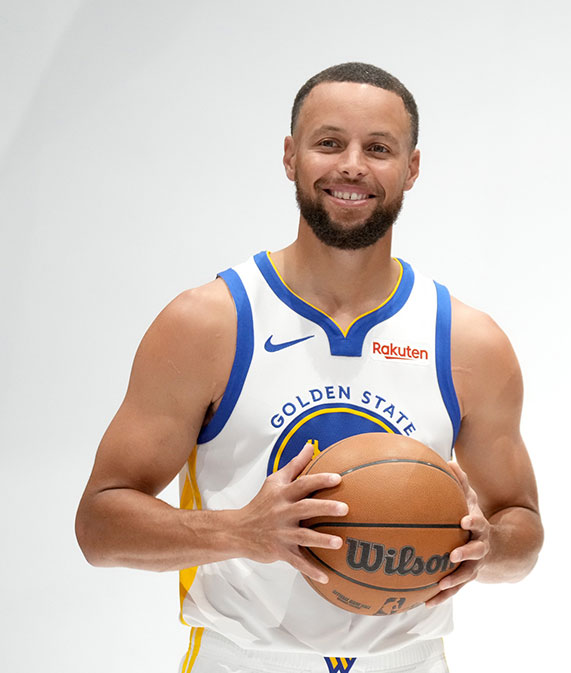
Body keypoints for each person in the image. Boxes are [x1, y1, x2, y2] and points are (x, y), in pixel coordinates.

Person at [75, 62, 543, 673]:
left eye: (378, 148)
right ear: (291, 157)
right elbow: (100, 524)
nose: (352, 165)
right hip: (243, 658)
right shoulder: (209, 323)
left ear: (412, 168)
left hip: (409, 659)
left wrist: (490, 546)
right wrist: (244, 530)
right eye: (329, 143)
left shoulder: (468, 342)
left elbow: (524, 530)